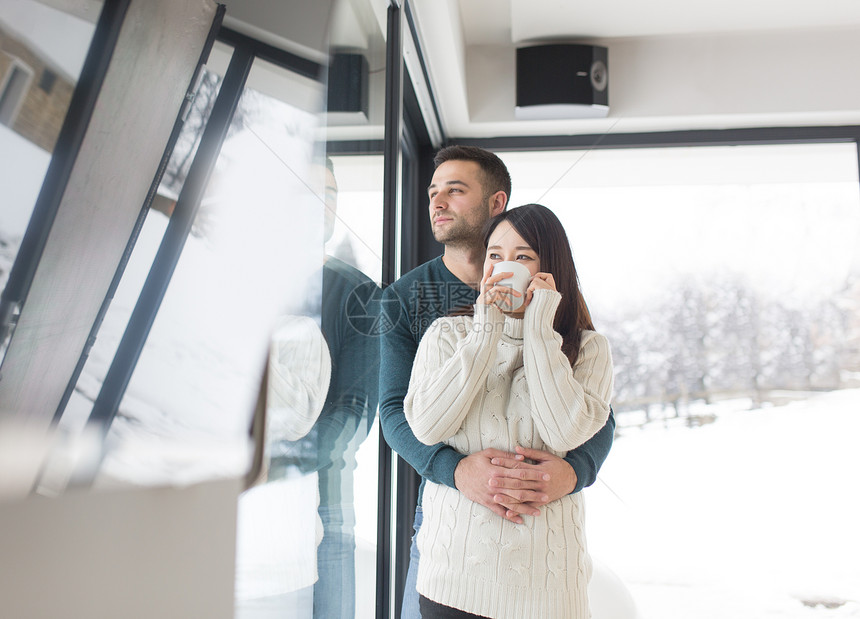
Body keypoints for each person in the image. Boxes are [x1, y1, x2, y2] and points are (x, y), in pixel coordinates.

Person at [378, 146, 616, 617]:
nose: (438, 202)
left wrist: (573, 472)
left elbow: (596, 411)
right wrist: (457, 471)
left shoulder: (554, 302)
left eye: (455, 189)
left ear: (496, 203)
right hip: (452, 515)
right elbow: (395, 412)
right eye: (432, 192)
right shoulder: (408, 301)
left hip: (542, 532)